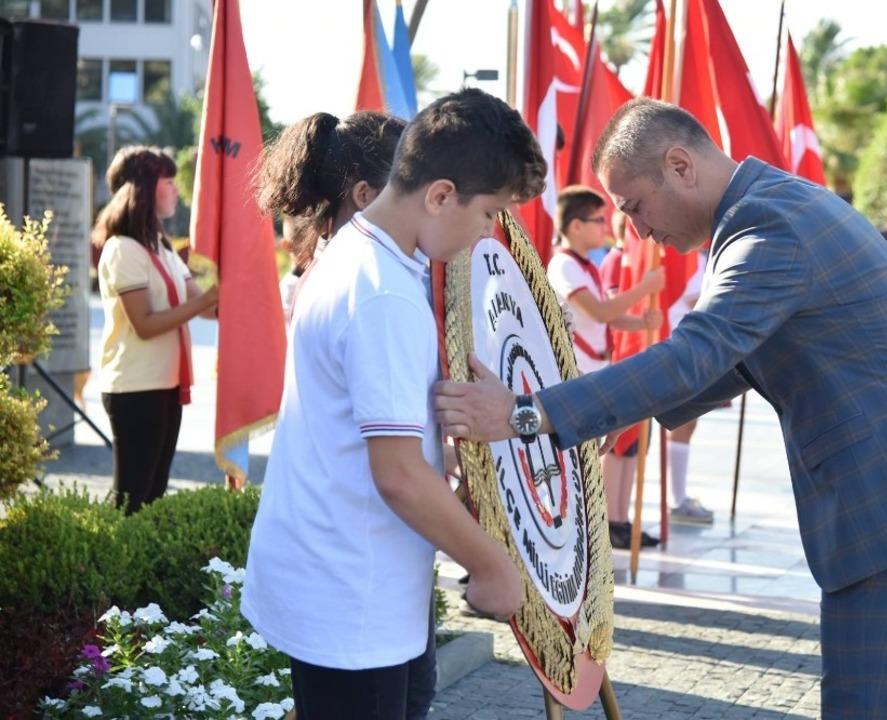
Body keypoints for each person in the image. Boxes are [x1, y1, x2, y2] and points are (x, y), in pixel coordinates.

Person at [435, 98, 887, 718]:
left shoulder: (766, 229)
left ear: (680, 165)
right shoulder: (777, 204)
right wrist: (620, 410)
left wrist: (529, 413)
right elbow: (738, 360)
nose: (637, 231)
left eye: (635, 206)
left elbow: (699, 352)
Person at [242, 90, 546, 720]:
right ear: (439, 195)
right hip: (354, 598)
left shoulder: (363, 250)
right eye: (489, 212)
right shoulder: (383, 293)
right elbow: (399, 474)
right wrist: (491, 566)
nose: (491, 232)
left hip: (357, 584)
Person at [92, 146, 218, 514]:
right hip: (134, 387)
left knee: (155, 495)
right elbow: (145, 325)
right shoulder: (122, 249)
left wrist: (233, 285)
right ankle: (113, 568)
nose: (176, 189)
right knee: (132, 497)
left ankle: (139, 570)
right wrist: (208, 296)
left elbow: (206, 308)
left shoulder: (161, 247)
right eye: (168, 180)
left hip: (165, 386)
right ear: (144, 187)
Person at [549, 186, 664, 550]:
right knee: (574, 460)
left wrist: (640, 322)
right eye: (598, 220)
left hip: (594, 367)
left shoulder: (586, 266)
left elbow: (604, 319)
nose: (605, 227)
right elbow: (598, 311)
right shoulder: (563, 264)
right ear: (576, 226)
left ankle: (596, 525)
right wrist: (643, 288)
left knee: (590, 456)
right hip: (574, 374)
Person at [665, 246, 716, 525]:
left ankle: (678, 495)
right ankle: (676, 498)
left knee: (688, 423)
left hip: (692, 347)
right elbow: (693, 297)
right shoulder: (683, 256)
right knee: (680, 423)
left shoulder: (702, 257)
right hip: (676, 345)